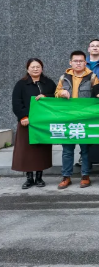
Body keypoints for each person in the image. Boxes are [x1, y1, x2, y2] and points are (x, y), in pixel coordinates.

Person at [55, 50, 99, 189]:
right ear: (70, 62)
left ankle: (85, 176)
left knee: (85, 149)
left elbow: (97, 96)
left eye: (81, 61)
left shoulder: (92, 77)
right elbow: (56, 93)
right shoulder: (64, 77)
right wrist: (61, 93)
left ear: (85, 62)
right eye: (75, 61)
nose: (78, 63)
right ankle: (66, 176)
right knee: (67, 150)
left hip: (85, 119)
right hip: (68, 118)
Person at [11, 58, 56, 189]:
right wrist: (23, 116)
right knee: (27, 151)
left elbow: (56, 97)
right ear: (27, 69)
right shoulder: (21, 84)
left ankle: (39, 177)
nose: (35, 69)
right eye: (32, 67)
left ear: (42, 68)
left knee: (41, 150)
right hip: (27, 122)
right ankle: (29, 178)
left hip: (43, 122)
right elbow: (16, 102)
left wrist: (46, 97)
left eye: (38, 67)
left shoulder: (48, 83)